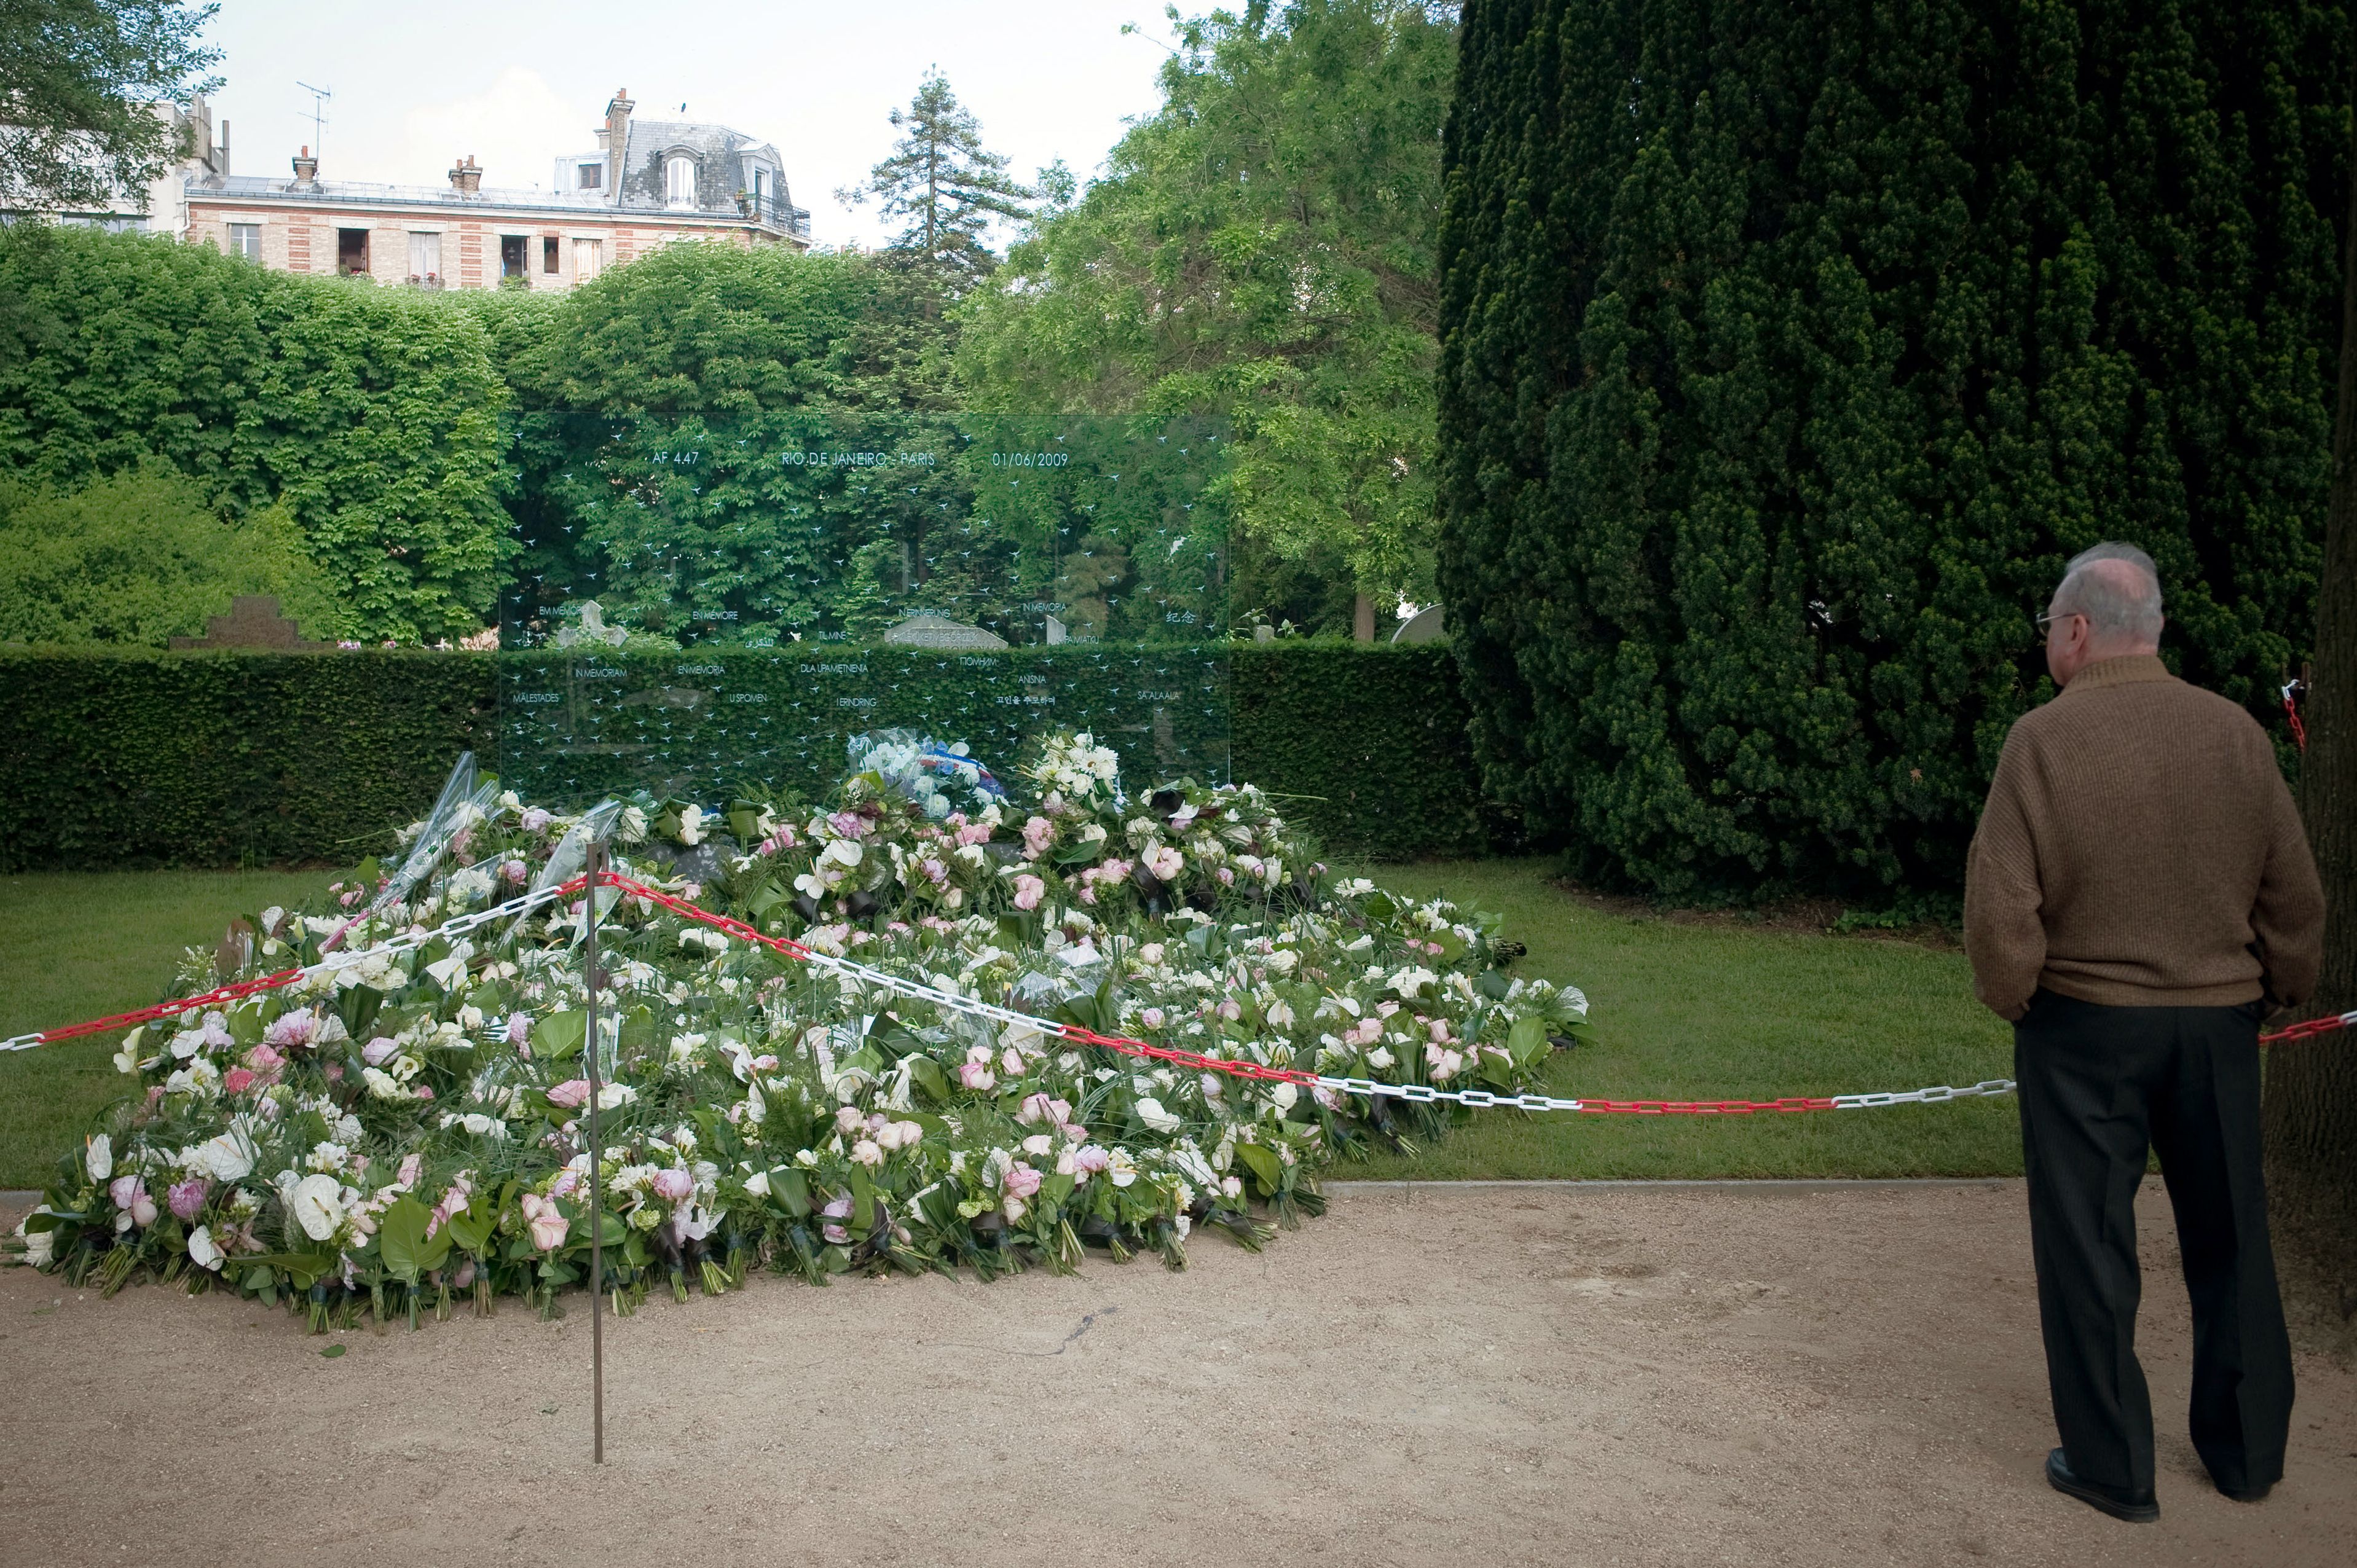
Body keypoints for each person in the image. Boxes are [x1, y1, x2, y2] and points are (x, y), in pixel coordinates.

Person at [1964, 541, 2324, 1523]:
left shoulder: (2040, 742)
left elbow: (2000, 915)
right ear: (2152, 630)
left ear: (2078, 630)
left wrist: (2019, 995)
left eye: (2048, 627)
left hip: (2081, 1028)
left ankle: (2113, 1466)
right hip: (2217, 1027)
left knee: (2088, 1245)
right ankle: (2248, 1452)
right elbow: (2294, 894)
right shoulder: (2238, 735)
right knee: (2234, 1238)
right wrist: (2283, 984)